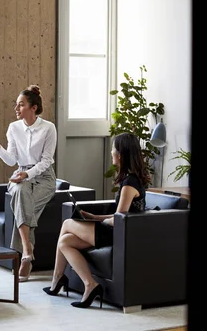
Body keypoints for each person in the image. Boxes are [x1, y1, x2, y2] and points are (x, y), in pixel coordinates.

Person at [43, 132, 150, 309]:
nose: (111, 153)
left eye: (114, 149)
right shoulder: (130, 179)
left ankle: (57, 277)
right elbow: (120, 214)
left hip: (116, 235)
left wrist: (98, 224)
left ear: (121, 154)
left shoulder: (130, 183)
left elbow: (119, 220)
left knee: (67, 224)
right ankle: (90, 285)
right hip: (113, 231)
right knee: (65, 242)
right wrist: (94, 218)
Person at [0, 84, 57, 282]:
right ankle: (26, 253)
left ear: (33, 108)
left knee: (23, 202)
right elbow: (11, 159)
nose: (16, 109)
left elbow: (46, 161)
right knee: (21, 192)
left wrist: (28, 175)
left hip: (44, 177)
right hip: (20, 174)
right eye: (16, 105)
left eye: (21, 105)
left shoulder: (49, 128)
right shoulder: (13, 128)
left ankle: (24, 254)